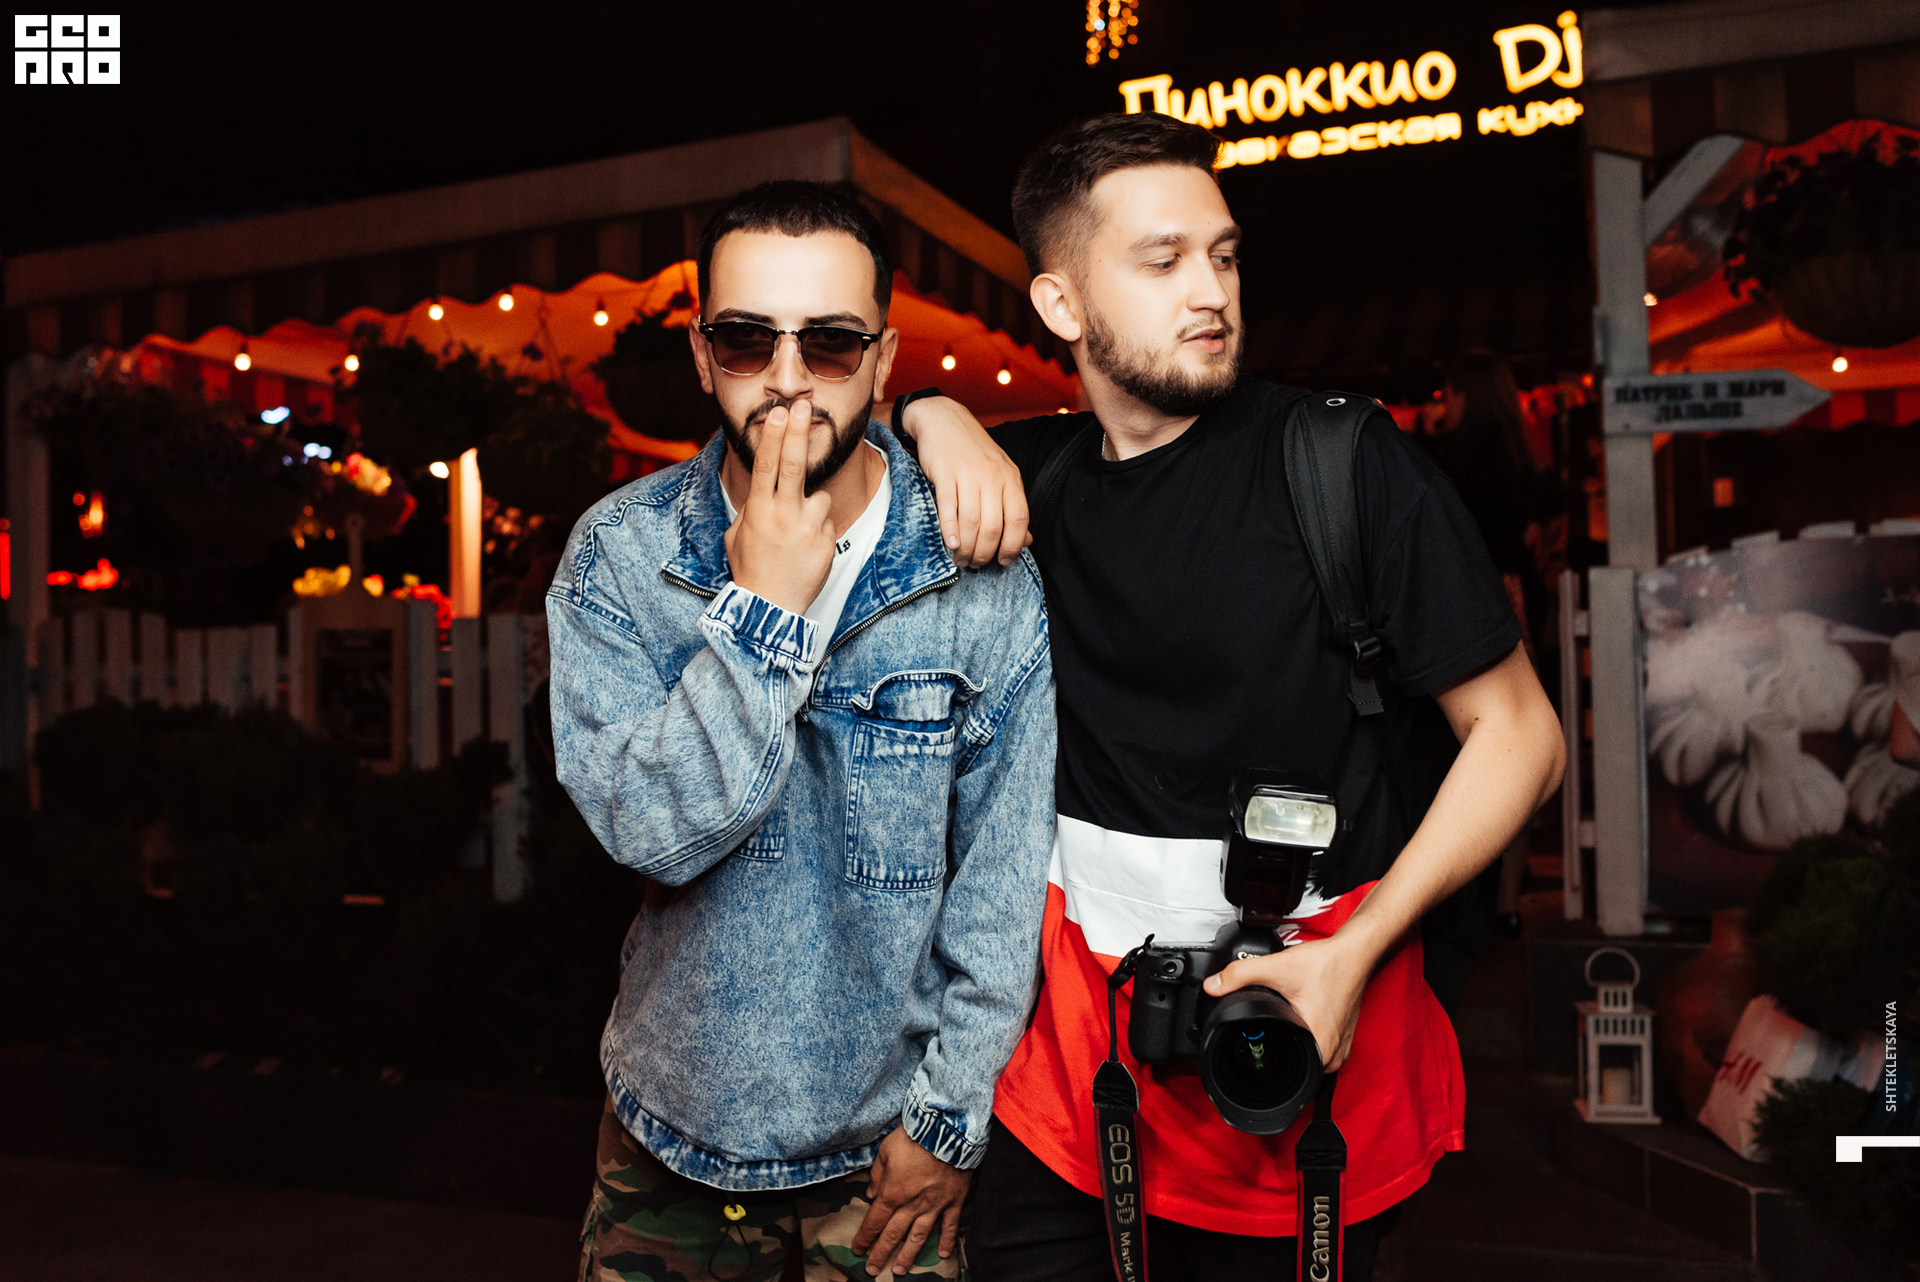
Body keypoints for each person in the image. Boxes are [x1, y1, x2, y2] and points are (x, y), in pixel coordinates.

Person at [893, 113, 1567, 1280]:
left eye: (1223, 254)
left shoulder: (1344, 465)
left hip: (1300, 1062)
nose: (1210, 291)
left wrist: (1356, 955)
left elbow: (1520, 736)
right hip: (1070, 1096)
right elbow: (821, 452)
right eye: (1161, 261)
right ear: (1061, 304)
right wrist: (930, 413)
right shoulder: (1034, 479)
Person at [547, 181, 1057, 1282]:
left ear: (883, 359)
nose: (786, 378)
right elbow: (648, 834)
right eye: (748, 339)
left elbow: (1005, 882)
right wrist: (763, 615)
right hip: (669, 1130)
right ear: (702, 356)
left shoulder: (973, 569)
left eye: (829, 343)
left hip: (885, 1157)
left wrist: (949, 1122)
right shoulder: (622, 555)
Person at [1422, 349, 1570, 934]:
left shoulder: (1453, 459)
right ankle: (1508, 900)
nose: (1446, 406)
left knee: (1460, 751)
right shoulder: (1523, 454)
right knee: (1516, 743)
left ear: (1467, 395)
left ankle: (1464, 898)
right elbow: (1553, 514)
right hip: (1518, 604)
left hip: (1466, 605)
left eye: (1450, 394)